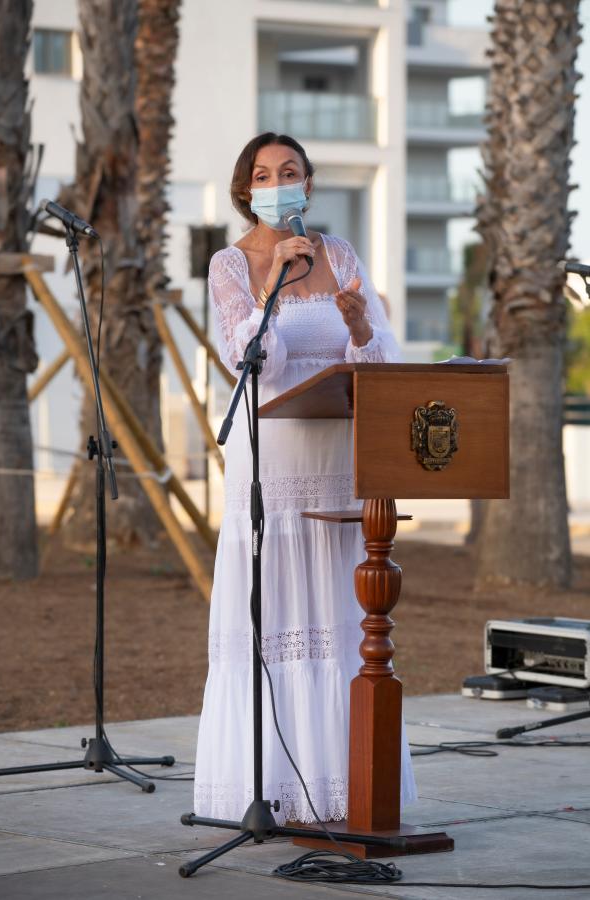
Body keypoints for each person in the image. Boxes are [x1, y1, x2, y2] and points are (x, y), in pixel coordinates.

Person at [193, 132, 417, 824]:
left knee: (339, 619)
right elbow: (253, 361)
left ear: (309, 185)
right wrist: (271, 285)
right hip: (274, 464)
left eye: (290, 171)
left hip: (341, 465)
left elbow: (381, 364)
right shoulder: (230, 266)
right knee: (279, 616)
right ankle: (273, 791)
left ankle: (342, 788)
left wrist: (357, 327)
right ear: (245, 191)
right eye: (263, 174)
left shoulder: (342, 254)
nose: (277, 182)